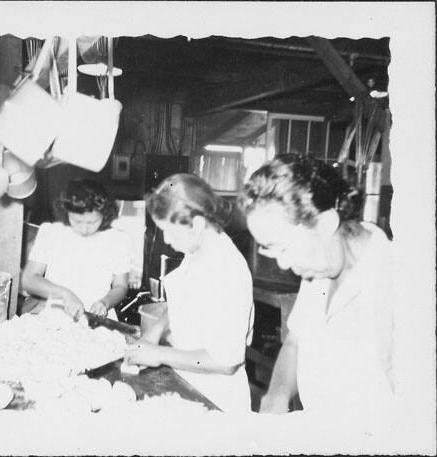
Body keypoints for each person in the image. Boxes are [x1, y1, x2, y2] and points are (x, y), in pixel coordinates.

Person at [237, 154, 395, 415]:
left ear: (325, 222)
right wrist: (277, 395)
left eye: (284, 249)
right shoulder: (320, 268)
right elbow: (296, 341)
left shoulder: (399, 282)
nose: (284, 265)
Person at [124, 173, 255, 413]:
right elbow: (180, 304)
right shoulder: (197, 252)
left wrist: (159, 354)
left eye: (171, 232)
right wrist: (153, 333)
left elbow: (225, 361)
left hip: (215, 398)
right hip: (187, 383)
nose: (166, 240)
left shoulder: (227, 269)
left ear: (196, 224)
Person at [21, 179, 130, 320]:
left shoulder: (118, 240)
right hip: (53, 315)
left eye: (92, 222)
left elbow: (120, 286)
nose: (84, 229)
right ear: (66, 212)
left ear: (104, 214)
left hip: (97, 318)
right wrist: (64, 294)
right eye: (77, 221)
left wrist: (105, 302)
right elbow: (29, 280)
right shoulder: (51, 233)